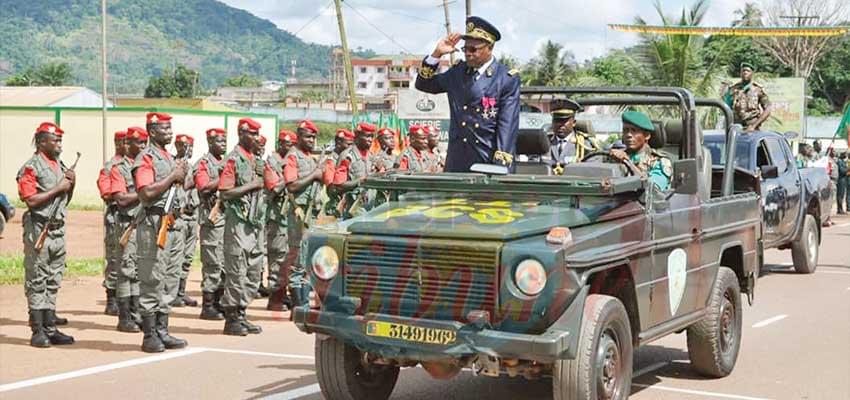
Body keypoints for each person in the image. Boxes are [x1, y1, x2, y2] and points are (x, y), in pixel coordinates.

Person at [415, 16, 520, 172]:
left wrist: (500, 167)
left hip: (487, 160)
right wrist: (437, 54)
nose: (468, 54)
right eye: (465, 49)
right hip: (457, 161)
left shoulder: (505, 78)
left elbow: (507, 125)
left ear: (489, 48)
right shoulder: (458, 72)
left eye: (473, 49)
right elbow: (424, 84)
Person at [132, 112, 189, 353]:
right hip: (154, 222)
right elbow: (145, 193)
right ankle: (149, 334)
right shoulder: (146, 157)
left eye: (170, 128)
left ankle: (163, 330)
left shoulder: (168, 156)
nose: (170, 132)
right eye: (164, 129)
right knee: (152, 276)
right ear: (152, 131)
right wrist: (173, 176)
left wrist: (181, 176)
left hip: (174, 223)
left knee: (169, 278)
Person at [17, 122, 76, 348]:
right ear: (42, 142)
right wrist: (58, 188)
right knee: (37, 279)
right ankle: (38, 329)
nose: (59, 144)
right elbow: (30, 200)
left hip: (57, 230)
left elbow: (63, 200)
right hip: (38, 229)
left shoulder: (58, 165)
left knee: (53, 278)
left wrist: (71, 184)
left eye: (60, 140)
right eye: (56, 140)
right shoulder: (31, 168)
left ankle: (50, 327)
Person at [218, 118, 265, 336]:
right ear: (242, 134)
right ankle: (232, 319)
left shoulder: (255, 160)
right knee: (237, 270)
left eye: (257, 135)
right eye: (252, 135)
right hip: (238, 223)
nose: (256, 139)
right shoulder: (233, 160)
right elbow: (225, 193)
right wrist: (251, 186)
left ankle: (243, 313)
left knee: (253, 270)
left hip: (254, 223)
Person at [283, 120, 327, 307]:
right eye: (308, 136)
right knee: (298, 259)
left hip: (313, 214)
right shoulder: (293, 157)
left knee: (309, 259)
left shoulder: (310, 158)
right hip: (299, 214)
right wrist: (315, 175)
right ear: (299, 136)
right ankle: (297, 305)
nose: (311, 140)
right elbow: (291, 185)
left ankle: (304, 302)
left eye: (314, 137)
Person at [109, 126, 147, 332]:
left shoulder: (146, 165)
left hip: (145, 224)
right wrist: (146, 193)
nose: (142, 146)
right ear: (127, 144)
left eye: (144, 142)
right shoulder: (119, 168)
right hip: (128, 224)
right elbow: (121, 199)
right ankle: (124, 317)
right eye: (138, 143)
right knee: (126, 270)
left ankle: (136, 313)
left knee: (139, 270)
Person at [193, 128, 227, 320]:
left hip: (225, 219)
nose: (222, 145)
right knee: (212, 263)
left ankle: (219, 302)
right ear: (210, 142)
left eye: (224, 141)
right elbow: (204, 188)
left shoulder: (223, 163)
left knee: (223, 263)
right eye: (219, 141)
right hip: (211, 220)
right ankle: (208, 306)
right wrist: (223, 178)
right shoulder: (204, 164)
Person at [263, 130, 297, 311]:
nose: (289, 148)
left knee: (287, 256)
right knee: (277, 255)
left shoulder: (290, 161)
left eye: (291, 145)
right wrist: (288, 177)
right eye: (286, 144)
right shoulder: (273, 162)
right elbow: (274, 187)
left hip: (288, 216)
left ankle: (283, 294)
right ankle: (275, 298)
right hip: (276, 216)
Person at [96, 130, 127, 316]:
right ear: (118, 143)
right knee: (115, 258)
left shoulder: (134, 164)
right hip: (116, 216)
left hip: (132, 216)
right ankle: (112, 299)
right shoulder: (110, 167)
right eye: (125, 142)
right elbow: (107, 194)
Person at [609, 111, 672, 191]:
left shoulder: (659, 161)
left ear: (646, 135)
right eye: (625, 130)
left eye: (634, 130)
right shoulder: (615, 157)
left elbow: (652, 190)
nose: (629, 135)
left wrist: (627, 162)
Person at [170, 134, 199, 308]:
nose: (185, 149)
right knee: (175, 256)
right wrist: (184, 173)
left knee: (187, 256)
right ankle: (172, 292)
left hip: (192, 215)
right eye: (181, 145)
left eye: (189, 146)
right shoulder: (173, 165)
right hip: (178, 216)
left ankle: (181, 292)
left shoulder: (194, 166)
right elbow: (183, 185)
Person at [332, 123, 377, 218]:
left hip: (371, 206)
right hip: (354, 207)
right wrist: (361, 181)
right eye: (367, 136)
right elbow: (339, 185)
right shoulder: (347, 156)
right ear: (357, 137)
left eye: (372, 136)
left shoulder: (370, 155)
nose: (370, 140)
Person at [547, 99, 599, 174]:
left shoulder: (585, 145)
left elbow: (594, 171)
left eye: (564, 121)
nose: (559, 124)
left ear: (574, 123)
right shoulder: (543, 143)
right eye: (556, 120)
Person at [724, 62, 771, 132]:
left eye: (748, 71)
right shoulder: (733, 89)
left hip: (752, 126)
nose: (745, 72)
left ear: (752, 73)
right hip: (737, 127)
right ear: (740, 73)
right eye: (743, 71)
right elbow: (726, 107)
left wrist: (754, 126)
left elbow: (768, 109)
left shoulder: (758, 89)